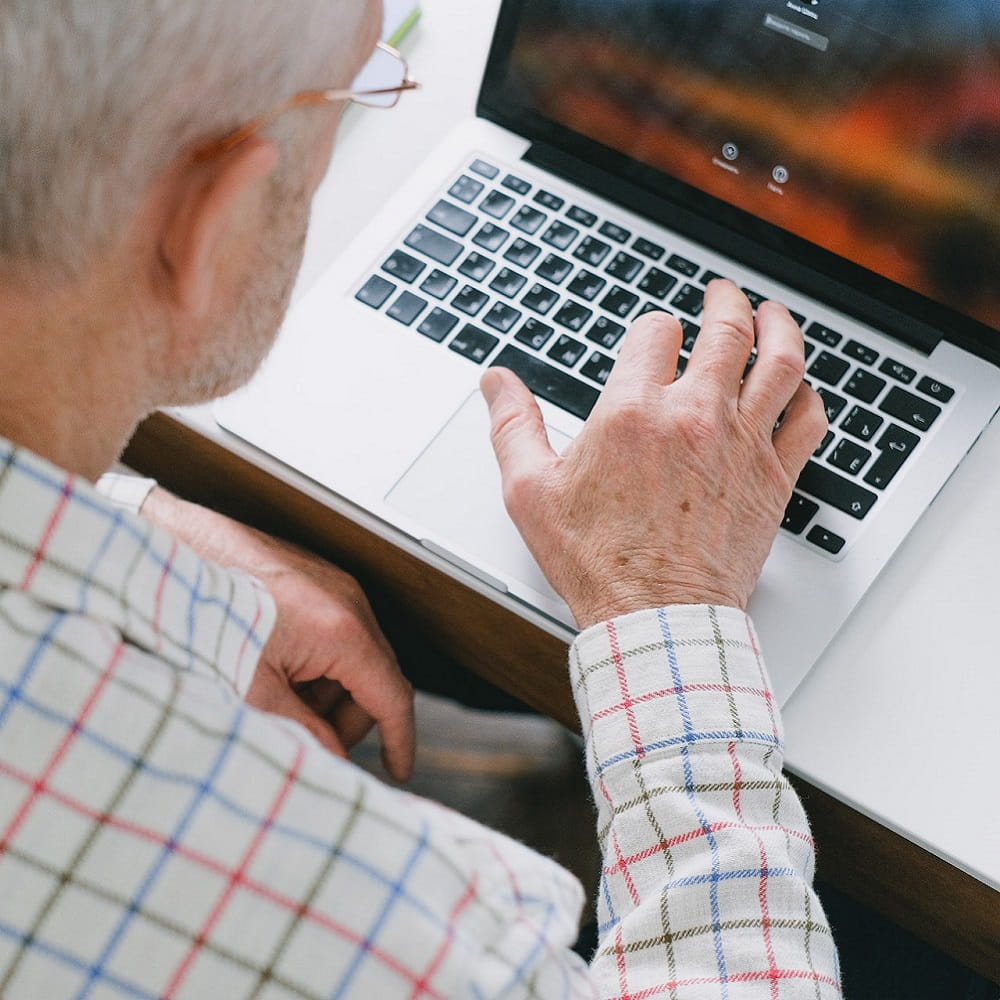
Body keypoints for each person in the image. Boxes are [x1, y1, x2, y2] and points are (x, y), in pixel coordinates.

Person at [0, 0, 841, 996]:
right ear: (208, 223)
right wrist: (662, 597)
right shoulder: (371, 925)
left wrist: (139, 527)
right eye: (353, 89)